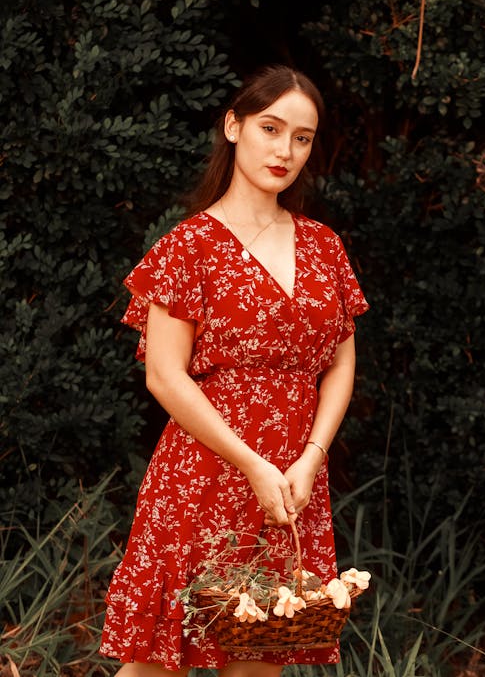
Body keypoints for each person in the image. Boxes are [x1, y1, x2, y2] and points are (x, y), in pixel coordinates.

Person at [99, 64, 369, 676]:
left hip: (292, 482)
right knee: (157, 662)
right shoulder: (188, 245)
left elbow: (341, 363)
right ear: (233, 126)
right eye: (271, 128)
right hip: (205, 472)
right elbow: (164, 376)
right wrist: (251, 463)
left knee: (260, 658)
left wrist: (311, 457)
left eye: (302, 137)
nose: (285, 150)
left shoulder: (324, 245)